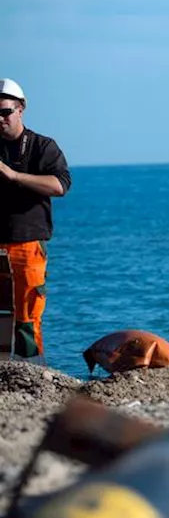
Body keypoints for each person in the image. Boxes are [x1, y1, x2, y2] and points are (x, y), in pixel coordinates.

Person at [0, 79, 72, 360]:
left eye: (6, 112)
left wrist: (14, 176)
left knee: (27, 319)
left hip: (27, 244)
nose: (0, 118)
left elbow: (60, 186)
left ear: (21, 110)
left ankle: (33, 377)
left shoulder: (42, 146)